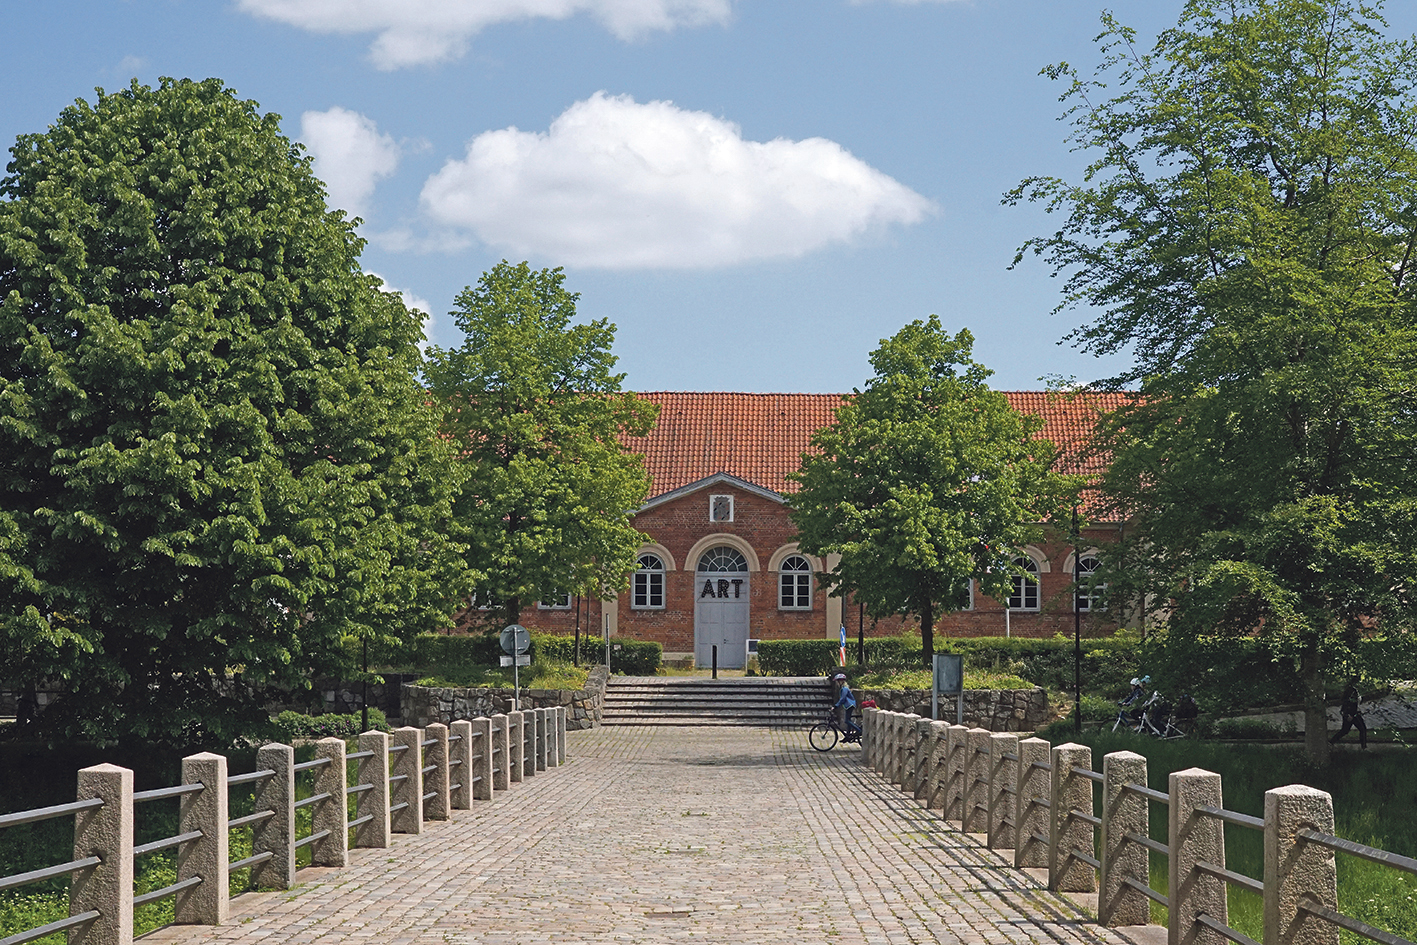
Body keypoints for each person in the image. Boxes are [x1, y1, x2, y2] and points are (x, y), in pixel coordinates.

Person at [1331, 679, 1368, 749]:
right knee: (1361, 729)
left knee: (1346, 730)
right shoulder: (1352, 693)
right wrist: (1349, 715)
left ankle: (1331, 742)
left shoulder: (1351, 692)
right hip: (1352, 715)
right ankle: (1364, 747)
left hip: (1351, 715)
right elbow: (1350, 705)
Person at [833, 673, 861, 742]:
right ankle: (848, 736)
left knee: (847, 720)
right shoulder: (843, 688)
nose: (837, 683)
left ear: (841, 681)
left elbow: (842, 698)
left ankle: (858, 730)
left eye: (837, 681)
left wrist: (836, 706)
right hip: (848, 705)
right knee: (848, 720)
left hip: (850, 705)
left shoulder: (844, 688)